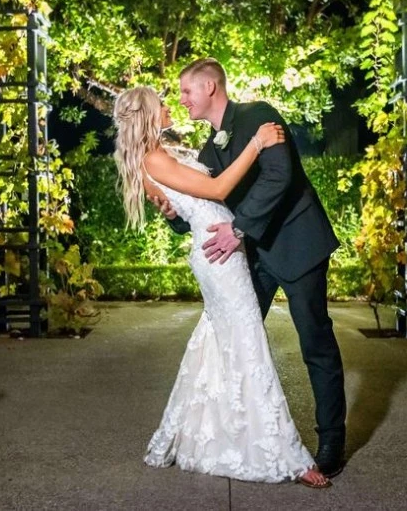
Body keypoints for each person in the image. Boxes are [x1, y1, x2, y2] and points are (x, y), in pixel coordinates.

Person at [113, 86, 331, 488]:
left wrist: (171, 209)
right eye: (161, 104)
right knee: (249, 344)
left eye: (175, 96)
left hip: (222, 250)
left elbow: (189, 204)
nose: (170, 106)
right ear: (145, 115)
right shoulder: (154, 159)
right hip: (220, 255)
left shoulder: (165, 154)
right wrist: (257, 143)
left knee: (221, 344)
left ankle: (215, 434)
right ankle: (285, 456)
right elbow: (216, 191)